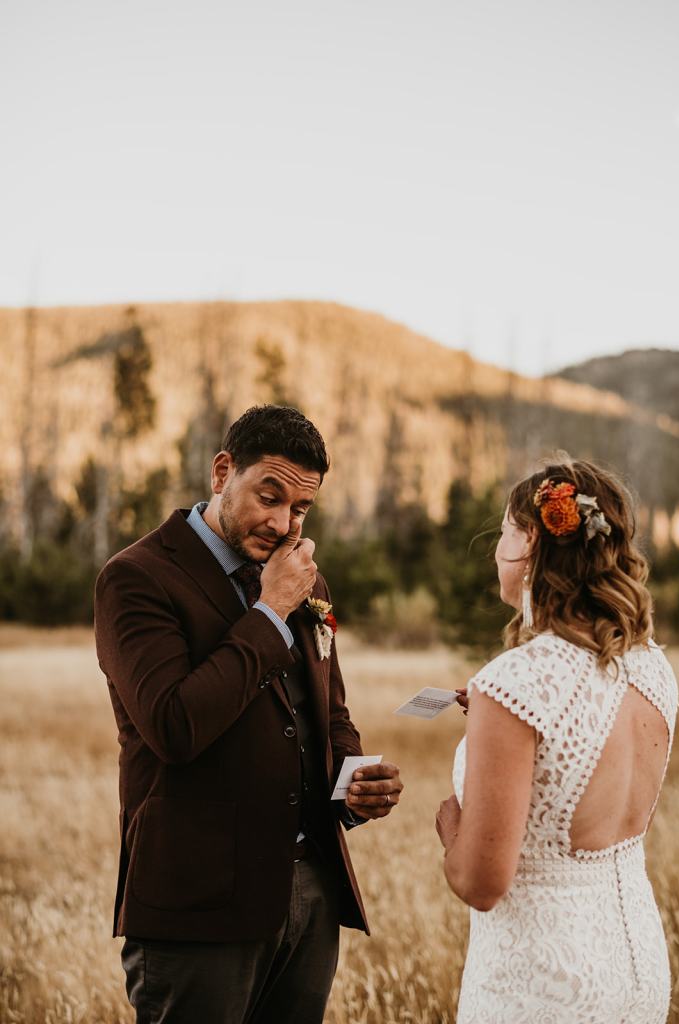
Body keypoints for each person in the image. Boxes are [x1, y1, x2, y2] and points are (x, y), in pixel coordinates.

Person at [95, 404, 403, 1024]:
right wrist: (269, 612)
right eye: (270, 496)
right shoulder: (137, 578)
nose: (283, 522)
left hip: (309, 893)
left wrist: (353, 785)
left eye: (300, 509)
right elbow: (174, 727)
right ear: (221, 471)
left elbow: (328, 713)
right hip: (198, 902)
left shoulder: (305, 582)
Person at [436, 456, 678, 1023]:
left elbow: (481, 883)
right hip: (638, 963)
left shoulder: (514, 681)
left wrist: (450, 827)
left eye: (504, 531)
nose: (497, 547)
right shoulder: (651, 669)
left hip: (544, 983)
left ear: (531, 548)